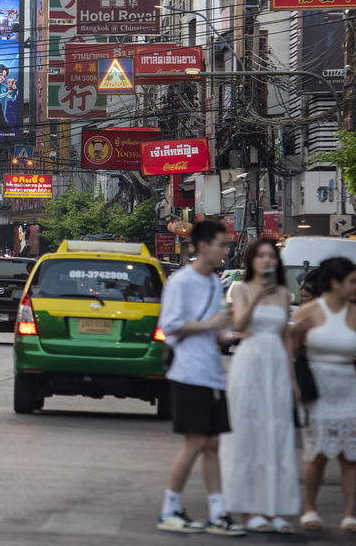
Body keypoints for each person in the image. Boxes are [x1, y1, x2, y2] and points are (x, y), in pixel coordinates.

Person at [155, 219, 242, 536]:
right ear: (203, 246)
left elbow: (213, 328)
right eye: (221, 244)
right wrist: (210, 325)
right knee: (195, 442)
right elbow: (171, 326)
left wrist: (226, 333)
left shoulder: (211, 282)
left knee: (213, 444)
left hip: (211, 371)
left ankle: (218, 512)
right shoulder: (182, 282)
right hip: (188, 372)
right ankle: (170, 507)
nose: (225, 250)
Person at [220, 238, 299, 534]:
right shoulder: (240, 289)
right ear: (251, 260)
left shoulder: (283, 294)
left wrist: (292, 379)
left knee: (276, 434)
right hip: (250, 361)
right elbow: (240, 325)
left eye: (271, 257)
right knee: (250, 434)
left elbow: (285, 337)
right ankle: (250, 509)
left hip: (276, 363)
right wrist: (256, 297)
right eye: (261, 256)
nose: (267, 261)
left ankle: (274, 509)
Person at [292, 257, 356, 533]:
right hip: (317, 387)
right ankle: (309, 509)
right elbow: (290, 350)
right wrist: (293, 383)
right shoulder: (308, 311)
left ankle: (350, 513)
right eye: (352, 281)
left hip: (347, 385)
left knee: (349, 455)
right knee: (317, 454)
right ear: (335, 283)